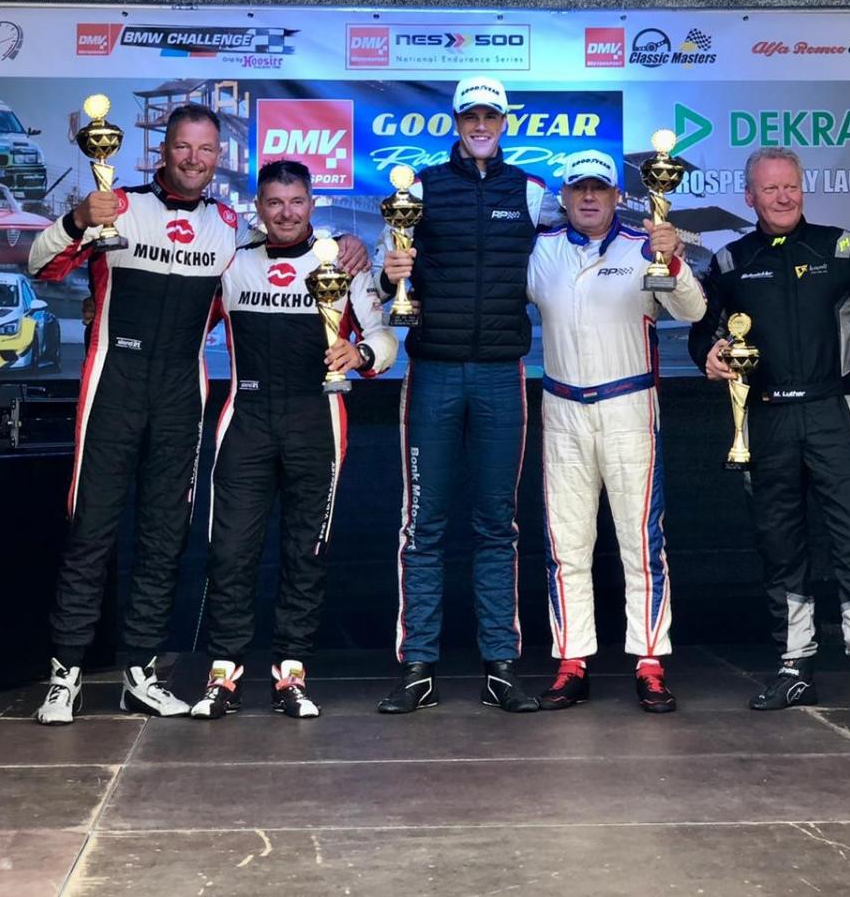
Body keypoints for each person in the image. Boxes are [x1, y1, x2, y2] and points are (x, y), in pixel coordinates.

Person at [688, 145, 850, 724]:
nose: (783, 196)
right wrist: (709, 355)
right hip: (766, 418)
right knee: (780, 546)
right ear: (750, 196)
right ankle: (795, 667)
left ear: (803, 188)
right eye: (770, 188)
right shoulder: (731, 260)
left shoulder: (838, 247)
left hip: (833, 411)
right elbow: (702, 331)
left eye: (790, 186)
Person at [30, 104, 240, 724]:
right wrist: (76, 219)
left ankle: (140, 673)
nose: (194, 159)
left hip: (181, 390)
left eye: (205, 149)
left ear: (218, 158)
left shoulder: (229, 227)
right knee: (91, 531)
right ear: (163, 150)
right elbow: (41, 265)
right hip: (114, 382)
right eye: (183, 147)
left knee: (163, 536)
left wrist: (351, 249)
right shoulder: (115, 204)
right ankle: (65, 675)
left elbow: (272, 279)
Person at [377, 75, 561, 715]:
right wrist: (387, 274)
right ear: (455, 123)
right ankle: (417, 668)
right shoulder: (420, 189)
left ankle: (501, 667)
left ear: (505, 123)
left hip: (501, 375)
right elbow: (387, 277)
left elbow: (570, 254)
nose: (481, 126)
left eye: (491, 116)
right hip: (432, 371)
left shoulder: (531, 192)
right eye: (470, 116)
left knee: (496, 526)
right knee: (423, 526)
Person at [190, 159, 396, 720]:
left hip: (316, 421)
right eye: (275, 203)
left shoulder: (341, 264)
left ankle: (292, 674)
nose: (286, 213)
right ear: (258, 207)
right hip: (246, 419)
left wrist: (360, 353)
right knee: (230, 552)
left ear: (312, 204)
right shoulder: (233, 261)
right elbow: (185, 319)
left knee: (305, 554)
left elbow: (383, 338)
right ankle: (224, 674)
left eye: (296, 202)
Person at [528, 149, 706, 713]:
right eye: (578, 188)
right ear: (563, 196)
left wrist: (671, 261)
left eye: (599, 188)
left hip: (629, 405)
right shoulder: (540, 250)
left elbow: (694, 311)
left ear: (615, 196)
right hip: (562, 408)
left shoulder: (643, 245)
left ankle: (650, 663)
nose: (588, 197)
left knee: (641, 543)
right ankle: (571, 662)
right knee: (566, 545)